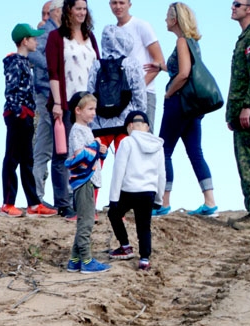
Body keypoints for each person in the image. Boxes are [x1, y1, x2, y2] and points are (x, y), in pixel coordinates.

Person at [154, 2, 217, 217]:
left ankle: (164, 202)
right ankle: (210, 202)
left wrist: (168, 92)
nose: (165, 20)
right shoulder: (193, 43)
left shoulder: (181, 41)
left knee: (164, 151)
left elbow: (183, 73)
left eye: (167, 17)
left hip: (178, 104)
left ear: (175, 19)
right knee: (195, 152)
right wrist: (162, 67)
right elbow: (181, 68)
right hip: (193, 107)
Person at [46, 0, 100, 219]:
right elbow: (53, 72)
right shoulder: (56, 38)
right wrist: (58, 103)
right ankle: (63, 202)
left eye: (84, 9)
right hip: (67, 102)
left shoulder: (90, 37)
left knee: (88, 153)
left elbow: (97, 68)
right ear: (68, 10)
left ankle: (83, 203)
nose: (81, 12)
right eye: (78, 8)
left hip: (90, 104)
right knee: (63, 153)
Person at [1, 24, 60, 218]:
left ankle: (33, 203)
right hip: (18, 115)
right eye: (33, 38)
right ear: (25, 41)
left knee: (27, 159)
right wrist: (19, 113)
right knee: (12, 158)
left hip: (27, 115)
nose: (37, 41)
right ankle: (8, 203)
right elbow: (11, 90)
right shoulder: (14, 62)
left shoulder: (26, 63)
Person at [106, 111, 165, 271]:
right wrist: (159, 199)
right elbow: (161, 174)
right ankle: (144, 259)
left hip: (129, 190)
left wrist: (113, 198)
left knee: (114, 214)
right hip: (149, 192)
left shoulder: (127, 142)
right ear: (147, 127)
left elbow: (118, 171)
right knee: (144, 226)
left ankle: (125, 246)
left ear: (129, 126)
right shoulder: (158, 145)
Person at [227, 0, 250, 231]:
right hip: (247, 111)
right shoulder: (247, 37)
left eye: (237, 4)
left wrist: (248, 106)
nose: (232, 7)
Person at [65, 92, 110, 273]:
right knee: (86, 221)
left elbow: (92, 155)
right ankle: (86, 260)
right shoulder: (77, 130)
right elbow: (79, 156)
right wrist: (95, 147)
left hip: (89, 181)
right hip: (83, 181)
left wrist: (102, 150)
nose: (93, 113)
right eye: (90, 109)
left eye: (94, 109)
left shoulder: (86, 130)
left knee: (86, 219)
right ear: (78, 110)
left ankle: (74, 260)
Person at [29, 0, 66, 209]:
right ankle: (43, 196)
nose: (42, 18)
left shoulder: (61, 31)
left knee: (45, 145)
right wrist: (54, 66)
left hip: (52, 93)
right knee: (52, 144)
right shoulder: (46, 31)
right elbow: (33, 55)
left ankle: (38, 196)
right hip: (46, 93)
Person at [87, 24, 147, 151]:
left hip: (100, 123)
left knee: (95, 161)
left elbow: (91, 93)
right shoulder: (132, 63)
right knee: (125, 162)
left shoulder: (96, 65)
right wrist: (140, 117)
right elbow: (139, 94)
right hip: (126, 121)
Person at [109, 0, 167, 127]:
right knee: (125, 141)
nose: (118, 6)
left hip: (145, 92)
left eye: (121, 3)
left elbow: (159, 61)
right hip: (120, 97)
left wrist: (137, 89)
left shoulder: (141, 26)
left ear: (129, 4)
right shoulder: (111, 32)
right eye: (114, 3)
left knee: (145, 139)